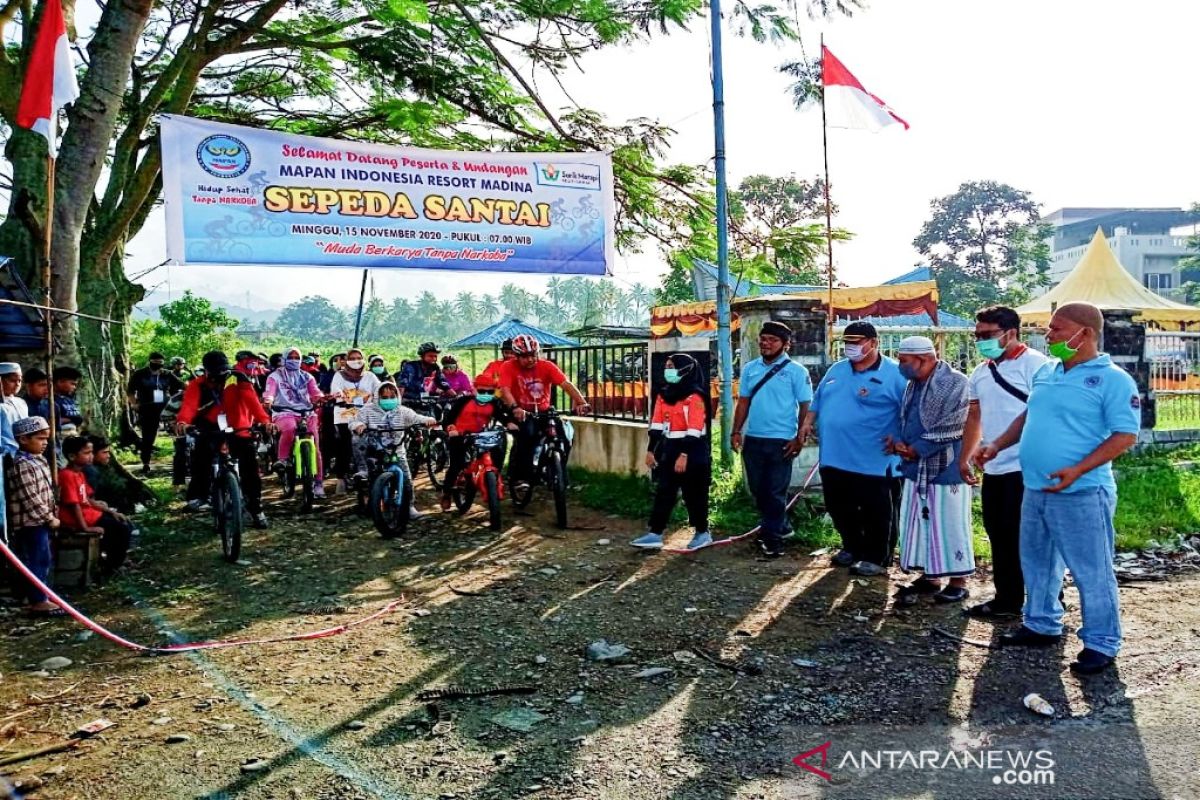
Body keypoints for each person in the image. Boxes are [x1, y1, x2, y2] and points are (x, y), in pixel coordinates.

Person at [977, 302, 1139, 675]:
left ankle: (1101, 642)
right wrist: (996, 445)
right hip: (1036, 488)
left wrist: (1079, 469)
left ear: (1085, 333)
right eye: (1049, 330)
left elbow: (1125, 435)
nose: (1048, 336)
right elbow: (1030, 415)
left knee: (1091, 570)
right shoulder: (1049, 372)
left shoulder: (1113, 379)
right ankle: (1041, 623)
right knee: (1036, 563)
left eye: (1057, 329)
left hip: (1082, 491)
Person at [959, 306, 1049, 619]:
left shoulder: (1037, 366)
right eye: (977, 335)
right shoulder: (981, 372)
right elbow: (974, 416)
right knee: (999, 533)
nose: (980, 340)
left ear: (1010, 333)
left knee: (1032, 536)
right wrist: (967, 456)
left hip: (1028, 465)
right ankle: (1008, 599)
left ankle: (1049, 600)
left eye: (987, 335)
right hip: (994, 467)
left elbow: (1044, 413)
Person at [799, 322, 906, 576]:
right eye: (847, 342)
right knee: (838, 506)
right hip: (835, 457)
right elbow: (818, 400)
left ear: (874, 343)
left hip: (876, 460)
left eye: (857, 342)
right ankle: (852, 547)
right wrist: (806, 424)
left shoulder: (895, 374)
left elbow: (911, 411)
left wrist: (904, 441)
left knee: (877, 511)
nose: (851, 347)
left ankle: (877, 557)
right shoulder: (837, 369)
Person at [889, 336, 973, 605]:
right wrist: (901, 443)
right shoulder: (913, 384)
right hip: (915, 467)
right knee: (920, 521)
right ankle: (930, 576)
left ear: (923, 359)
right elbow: (908, 419)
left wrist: (917, 448)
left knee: (949, 524)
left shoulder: (956, 382)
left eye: (904, 361)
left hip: (946, 467)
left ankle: (958, 581)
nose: (900, 366)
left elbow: (955, 424)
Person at [730, 321, 813, 558]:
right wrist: (736, 431)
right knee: (758, 489)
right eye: (763, 339)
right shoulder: (750, 369)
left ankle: (772, 540)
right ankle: (781, 526)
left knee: (775, 490)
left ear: (786, 345)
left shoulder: (797, 371)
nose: (766, 344)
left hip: (782, 441)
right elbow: (743, 401)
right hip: (754, 438)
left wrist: (799, 437)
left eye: (772, 340)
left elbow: (806, 405)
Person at [175, 350, 274, 528]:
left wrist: (265, 421)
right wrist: (183, 421)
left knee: (250, 467)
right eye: (215, 372)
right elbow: (189, 405)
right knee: (201, 457)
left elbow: (253, 403)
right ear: (206, 370)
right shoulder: (198, 384)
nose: (220, 375)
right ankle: (201, 495)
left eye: (223, 371)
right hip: (209, 427)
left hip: (238, 427)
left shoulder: (238, 379)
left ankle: (256, 508)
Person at [630, 353, 713, 551]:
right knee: (664, 491)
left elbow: (695, 428)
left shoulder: (695, 396)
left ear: (685, 370)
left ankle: (702, 532)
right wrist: (651, 451)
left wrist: (684, 455)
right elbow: (657, 425)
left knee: (694, 493)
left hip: (693, 450)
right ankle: (655, 533)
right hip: (671, 448)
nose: (668, 370)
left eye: (672, 366)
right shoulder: (664, 395)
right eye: (667, 366)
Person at [497, 334, 590, 491]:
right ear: (517, 356)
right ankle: (521, 478)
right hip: (522, 411)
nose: (531, 359)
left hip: (545, 410)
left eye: (533, 355)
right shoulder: (508, 367)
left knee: (564, 438)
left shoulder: (546, 366)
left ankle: (555, 473)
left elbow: (565, 384)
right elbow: (505, 390)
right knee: (527, 437)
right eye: (525, 357)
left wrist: (581, 402)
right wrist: (514, 408)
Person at [350, 381, 437, 519]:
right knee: (371, 478)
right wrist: (359, 425)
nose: (389, 400)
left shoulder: (402, 411)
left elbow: (417, 418)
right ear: (377, 397)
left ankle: (409, 507)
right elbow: (354, 421)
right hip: (375, 450)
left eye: (392, 396)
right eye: (384, 397)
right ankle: (371, 503)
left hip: (397, 451)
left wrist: (428, 420)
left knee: (407, 480)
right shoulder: (367, 410)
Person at [7, 417, 62, 616]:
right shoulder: (21, 464)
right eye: (40, 438)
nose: (45, 442)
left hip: (41, 520)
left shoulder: (39, 459)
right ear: (23, 440)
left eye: (46, 438)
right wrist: (48, 518)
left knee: (44, 558)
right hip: (31, 522)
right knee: (36, 559)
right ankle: (37, 600)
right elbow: (30, 498)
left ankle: (42, 594)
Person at [59, 436, 133, 576]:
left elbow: (88, 499)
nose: (90, 456)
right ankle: (111, 567)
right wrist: (85, 528)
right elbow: (74, 505)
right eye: (86, 453)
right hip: (80, 519)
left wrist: (110, 512)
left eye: (91, 452)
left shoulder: (79, 474)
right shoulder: (67, 475)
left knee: (121, 522)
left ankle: (110, 562)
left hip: (90, 514)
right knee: (121, 530)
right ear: (72, 456)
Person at [439, 372, 510, 511]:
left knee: (497, 453)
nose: (486, 394)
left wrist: (510, 424)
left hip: (480, 436)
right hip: (459, 435)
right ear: (474, 389)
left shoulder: (494, 403)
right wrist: (451, 428)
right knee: (456, 464)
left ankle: (491, 479)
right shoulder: (463, 401)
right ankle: (446, 493)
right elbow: (449, 418)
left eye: (490, 391)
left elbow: (502, 417)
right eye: (482, 390)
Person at [263, 346, 327, 498]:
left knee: (316, 448)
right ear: (284, 359)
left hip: (307, 412)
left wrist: (320, 398)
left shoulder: (307, 377)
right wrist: (268, 400)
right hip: (283, 412)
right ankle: (283, 460)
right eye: (290, 357)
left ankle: (318, 483)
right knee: (290, 429)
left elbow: (315, 393)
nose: (293, 360)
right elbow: (270, 392)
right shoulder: (275, 376)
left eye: (296, 357)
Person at [127, 352, 186, 475]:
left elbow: (181, 385)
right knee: (148, 437)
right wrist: (134, 404)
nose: (159, 365)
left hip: (165, 407)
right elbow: (130, 391)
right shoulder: (140, 374)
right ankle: (146, 463)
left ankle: (183, 461)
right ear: (150, 361)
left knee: (178, 432)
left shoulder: (167, 374)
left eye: (161, 363)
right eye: (156, 362)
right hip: (147, 408)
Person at [330, 348, 381, 481]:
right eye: (352, 359)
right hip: (344, 413)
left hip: (366, 414)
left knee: (373, 441)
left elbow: (379, 391)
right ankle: (342, 477)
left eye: (358, 358)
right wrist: (359, 397)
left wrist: (356, 397)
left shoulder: (370, 376)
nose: (355, 361)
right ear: (346, 361)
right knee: (345, 445)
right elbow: (337, 393)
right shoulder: (339, 375)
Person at [84, 435, 135, 514]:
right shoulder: (91, 471)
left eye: (108, 452)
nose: (108, 456)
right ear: (93, 454)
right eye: (104, 452)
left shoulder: (104, 468)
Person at [30, 366, 84, 433]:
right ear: (60, 382)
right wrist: (70, 420)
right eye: (72, 384)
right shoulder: (50, 400)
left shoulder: (69, 399)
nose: (74, 387)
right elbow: (48, 421)